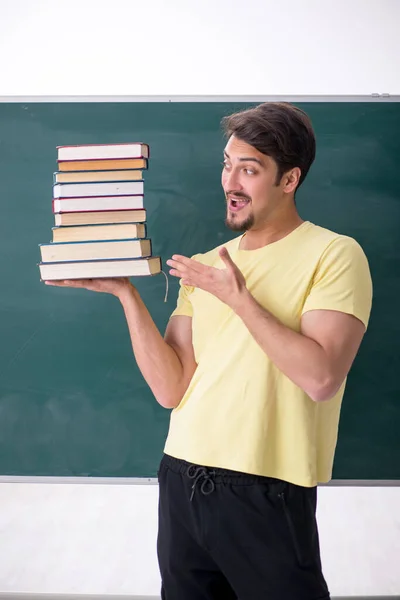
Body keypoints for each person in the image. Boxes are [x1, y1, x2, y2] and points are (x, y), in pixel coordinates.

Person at [45, 102, 373, 600]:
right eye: (227, 163)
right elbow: (171, 388)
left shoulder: (334, 254)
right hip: (181, 476)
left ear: (290, 179)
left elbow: (322, 377)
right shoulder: (204, 266)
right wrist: (125, 294)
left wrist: (240, 300)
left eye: (250, 168)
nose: (231, 182)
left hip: (267, 486)